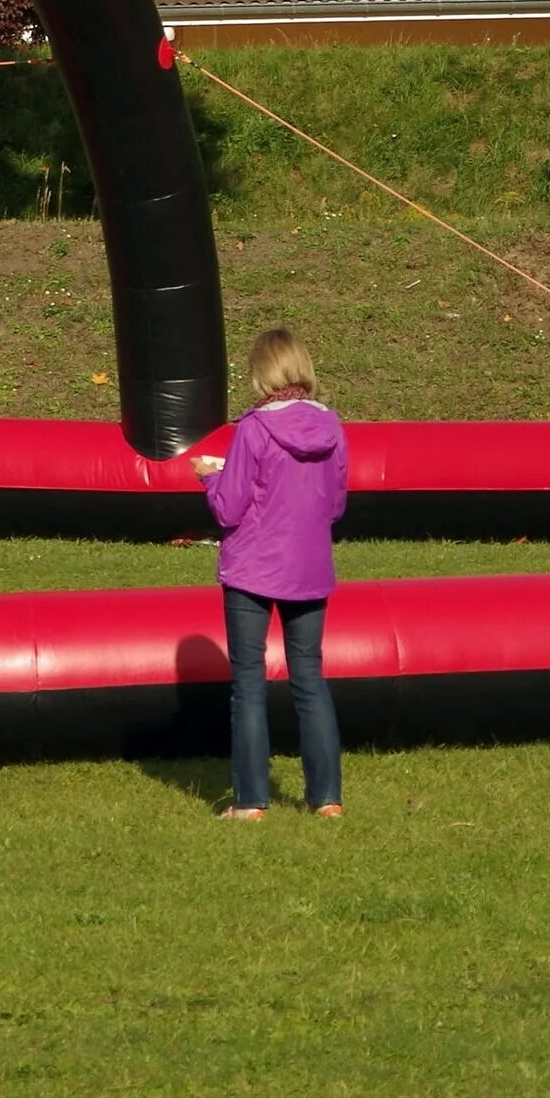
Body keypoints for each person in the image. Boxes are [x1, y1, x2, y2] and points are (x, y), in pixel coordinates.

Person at [194, 328, 347, 822]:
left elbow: (228, 507)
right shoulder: (332, 425)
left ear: (262, 373)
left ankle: (251, 801)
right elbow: (336, 503)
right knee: (310, 679)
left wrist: (210, 476)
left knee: (249, 683)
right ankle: (327, 799)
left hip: (253, 566)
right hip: (309, 565)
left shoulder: (255, 428)